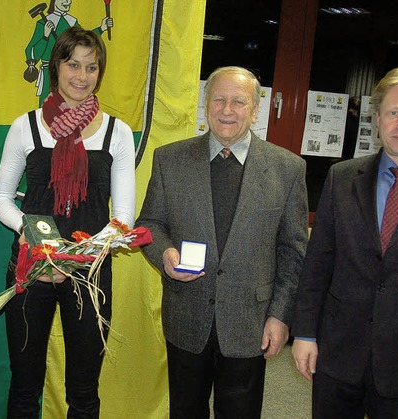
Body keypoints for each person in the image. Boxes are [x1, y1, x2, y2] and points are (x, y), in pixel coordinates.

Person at [135, 66, 308, 418]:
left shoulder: (287, 169)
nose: (227, 110)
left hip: (251, 321)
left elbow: (293, 251)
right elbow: (149, 223)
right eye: (219, 100)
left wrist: (280, 315)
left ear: (256, 109)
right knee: (185, 410)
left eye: (239, 101)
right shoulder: (170, 159)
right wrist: (164, 253)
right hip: (186, 315)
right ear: (206, 104)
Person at [0, 26, 135, 418]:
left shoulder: (117, 133)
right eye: (73, 64)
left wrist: (73, 257)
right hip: (30, 268)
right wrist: (37, 242)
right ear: (56, 66)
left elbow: (124, 218)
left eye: (91, 67)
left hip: (89, 276)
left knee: (85, 391)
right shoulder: (27, 125)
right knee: (24, 386)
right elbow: (1, 200)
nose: (82, 76)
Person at [292, 64, 398, 418]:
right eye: (393, 112)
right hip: (338, 355)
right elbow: (317, 265)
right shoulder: (342, 178)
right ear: (377, 118)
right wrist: (305, 334)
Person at [24, 0, 113, 106]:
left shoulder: (71, 22)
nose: (68, 1)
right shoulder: (43, 23)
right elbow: (32, 52)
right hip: (48, 73)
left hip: (73, 75)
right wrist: (45, 36)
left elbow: (84, 43)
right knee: (47, 107)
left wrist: (101, 28)